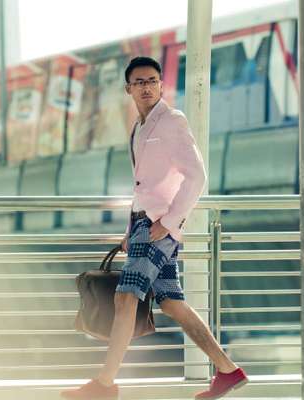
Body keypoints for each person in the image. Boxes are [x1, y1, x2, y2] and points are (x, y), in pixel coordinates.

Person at [61, 56, 248, 400]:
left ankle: (104, 385)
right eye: (139, 82)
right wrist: (131, 228)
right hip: (144, 226)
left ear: (162, 85)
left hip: (159, 228)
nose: (146, 87)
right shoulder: (139, 127)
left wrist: (168, 222)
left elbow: (197, 176)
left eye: (152, 81)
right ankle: (227, 370)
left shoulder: (173, 121)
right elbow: (143, 186)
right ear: (128, 89)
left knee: (125, 298)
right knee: (172, 304)